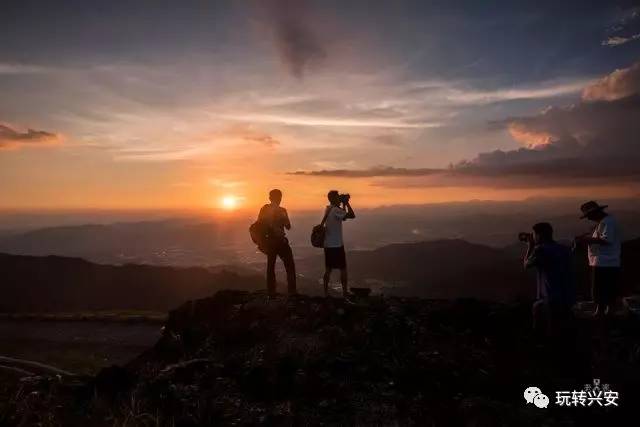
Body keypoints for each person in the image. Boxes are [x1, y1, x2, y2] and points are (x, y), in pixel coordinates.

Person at [523, 222, 575, 335]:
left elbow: (526, 265)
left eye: (534, 234)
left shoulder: (541, 250)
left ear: (540, 235)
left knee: (546, 333)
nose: (533, 237)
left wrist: (530, 246)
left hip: (549, 299)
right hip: (567, 298)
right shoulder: (564, 249)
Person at [574, 201, 621, 318]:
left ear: (595, 213)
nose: (589, 219)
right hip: (604, 261)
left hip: (605, 261)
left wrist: (585, 240)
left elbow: (606, 240)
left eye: (589, 216)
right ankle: (604, 311)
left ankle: (603, 313)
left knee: (601, 288)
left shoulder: (607, 222)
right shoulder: (604, 222)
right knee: (604, 288)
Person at [257, 189, 297, 298]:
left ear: (270, 198)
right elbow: (288, 227)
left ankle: (271, 292)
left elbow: (259, 224)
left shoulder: (265, 209)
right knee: (289, 266)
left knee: (271, 267)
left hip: (271, 241)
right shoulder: (282, 210)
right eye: (278, 198)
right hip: (280, 241)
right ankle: (292, 292)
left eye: (279, 198)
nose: (279, 200)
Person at [322, 191, 355, 299]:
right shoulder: (336, 210)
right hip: (336, 245)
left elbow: (343, 217)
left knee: (328, 270)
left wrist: (343, 204)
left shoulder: (328, 209)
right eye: (338, 197)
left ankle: (325, 293)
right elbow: (351, 215)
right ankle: (345, 292)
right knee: (343, 269)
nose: (339, 199)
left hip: (328, 245)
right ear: (334, 199)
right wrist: (347, 203)